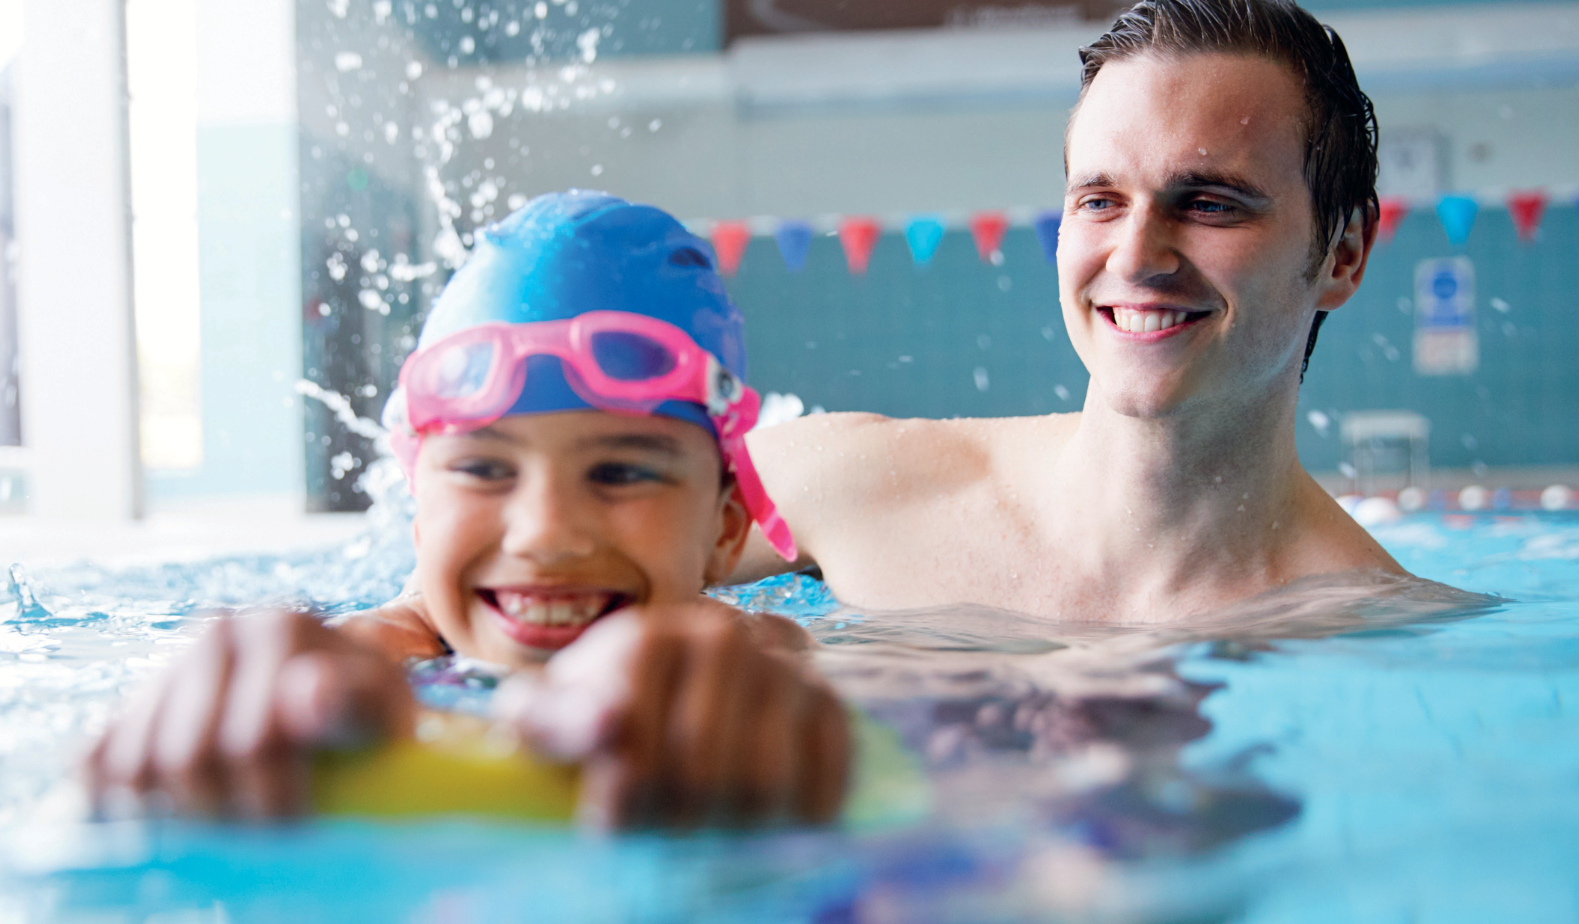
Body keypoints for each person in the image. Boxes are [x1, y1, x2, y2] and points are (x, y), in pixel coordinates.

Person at [85, 191, 849, 827]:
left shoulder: (748, 651)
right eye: (484, 469)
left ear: (724, 529)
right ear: (419, 514)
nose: (546, 533)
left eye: (619, 471)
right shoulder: (390, 643)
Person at [731, 0, 1405, 623]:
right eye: (1100, 200)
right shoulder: (843, 489)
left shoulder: (1371, 633)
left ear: (1343, 254)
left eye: (1210, 205)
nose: (1136, 258)